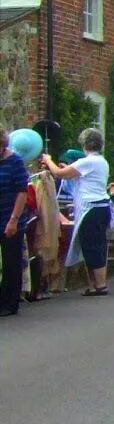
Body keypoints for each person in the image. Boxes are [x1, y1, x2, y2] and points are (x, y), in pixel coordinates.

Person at [40, 128, 112, 296]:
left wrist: (48, 160)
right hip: (101, 206)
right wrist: (69, 169)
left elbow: (59, 174)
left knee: (91, 246)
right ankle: (98, 283)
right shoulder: (101, 161)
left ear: (85, 144)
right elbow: (79, 176)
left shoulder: (87, 161)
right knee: (97, 244)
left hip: (90, 208)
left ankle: (100, 285)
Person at [0, 128, 30, 317]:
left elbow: (22, 192)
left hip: (10, 217)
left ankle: (10, 303)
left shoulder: (15, 162)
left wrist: (13, 220)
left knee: (11, 261)